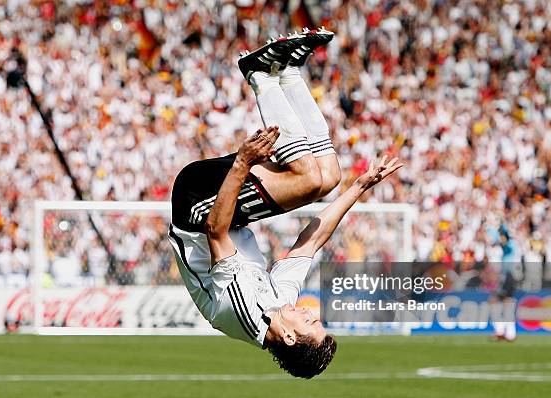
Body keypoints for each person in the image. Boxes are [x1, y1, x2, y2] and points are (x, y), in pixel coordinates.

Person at [168, 29, 404, 378]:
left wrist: (243, 163)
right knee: (329, 176)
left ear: (291, 337)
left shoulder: (244, 310)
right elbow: (311, 241)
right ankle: (290, 71)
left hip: (196, 207)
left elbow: (214, 231)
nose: (312, 313)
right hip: (224, 214)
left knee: (308, 179)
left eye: (311, 324)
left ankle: (260, 75)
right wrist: (360, 187)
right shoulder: (281, 305)